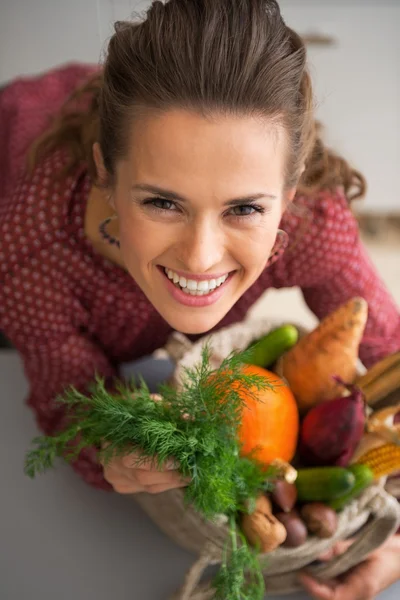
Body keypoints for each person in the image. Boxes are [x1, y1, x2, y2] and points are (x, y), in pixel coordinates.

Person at [0, 1, 399, 597]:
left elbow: (391, 356)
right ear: (105, 174)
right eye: (162, 202)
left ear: (289, 196)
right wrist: (113, 446)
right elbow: (71, 404)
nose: (200, 258)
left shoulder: (315, 219)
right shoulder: (32, 252)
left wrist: (394, 539)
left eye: (244, 208)